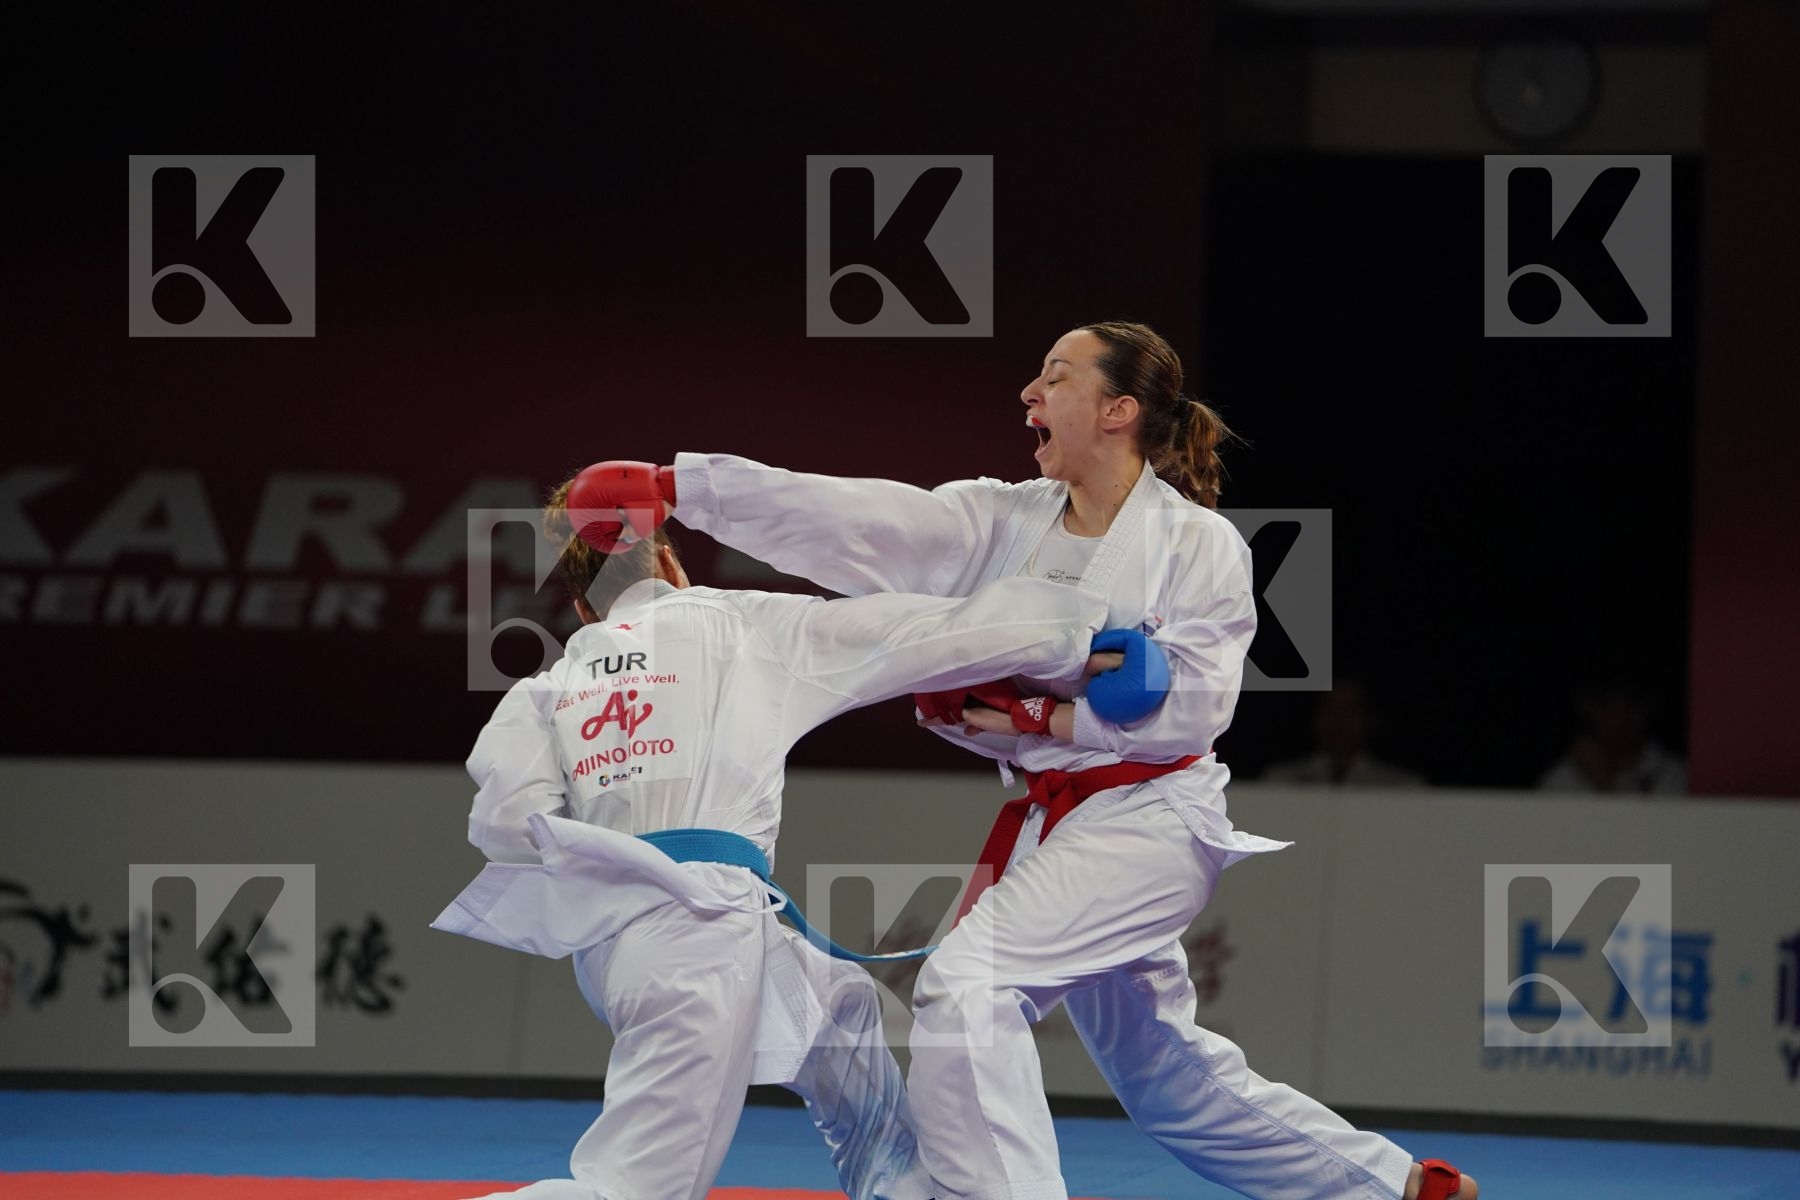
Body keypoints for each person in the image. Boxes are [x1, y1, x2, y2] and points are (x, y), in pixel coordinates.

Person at [576, 321, 1478, 1200]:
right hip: (1063, 821)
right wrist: (684, 488)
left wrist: (1040, 714)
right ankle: (1393, 1188)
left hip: (1153, 816)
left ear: (1119, 410)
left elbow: (1194, 710)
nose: (1029, 391)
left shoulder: (1195, 544)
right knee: (1164, 1073)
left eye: (1056, 375)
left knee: (969, 989)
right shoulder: (1005, 520)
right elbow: (864, 520)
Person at [432, 469, 1143, 1200]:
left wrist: (621, 844)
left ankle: (897, 1187)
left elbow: (507, 826)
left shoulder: (544, 690)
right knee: (637, 1189)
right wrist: (1082, 635)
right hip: (701, 933)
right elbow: (922, 631)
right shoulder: (739, 625)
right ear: (672, 562)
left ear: (583, 606)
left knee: (840, 1012)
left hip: (624, 943)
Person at [1261, 680, 1427, 788]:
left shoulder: (1401, 787)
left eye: (1350, 710)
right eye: (1331, 709)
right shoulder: (1280, 782)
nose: (1339, 720)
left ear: (1371, 719)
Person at [1538, 673, 1686, 794]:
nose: (1620, 718)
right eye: (1607, 706)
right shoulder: (1563, 780)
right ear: (1587, 707)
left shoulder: (1675, 777)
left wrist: (1604, 783)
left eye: (1631, 705)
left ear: (1648, 705)